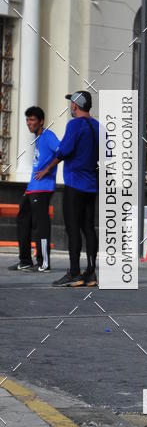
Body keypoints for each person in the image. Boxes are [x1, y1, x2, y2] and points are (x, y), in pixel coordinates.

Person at [35, 91, 100, 288]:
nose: (71, 106)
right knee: (88, 228)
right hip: (92, 185)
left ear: (75, 106)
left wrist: (47, 168)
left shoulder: (74, 125)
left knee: (73, 228)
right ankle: (91, 273)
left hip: (74, 183)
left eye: (72, 103)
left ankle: (74, 273)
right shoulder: (99, 126)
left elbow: (63, 151)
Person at [8, 106, 58, 272]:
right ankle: (25, 260)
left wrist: (47, 169)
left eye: (32, 120)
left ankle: (44, 263)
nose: (29, 123)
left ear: (41, 121)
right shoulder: (38, 139)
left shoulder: (48, 135)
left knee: (40, 226)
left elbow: (62, 152)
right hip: (32, 188)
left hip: (43, 188)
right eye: (27, 120)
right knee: (23, 220)